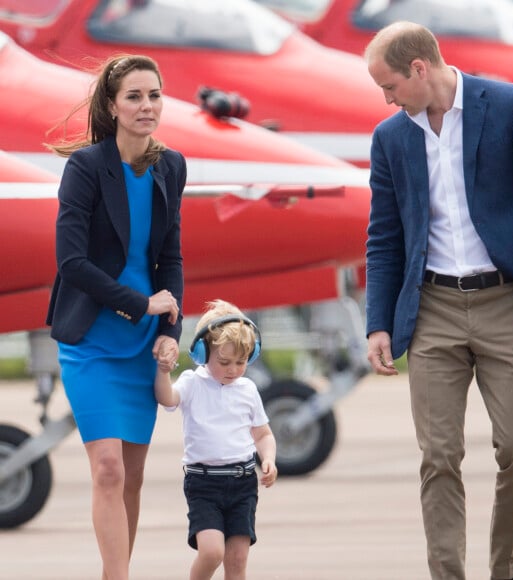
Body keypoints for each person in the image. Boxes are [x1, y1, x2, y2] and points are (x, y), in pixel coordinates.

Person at [363, 21, 513, 580]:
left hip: (507, 302)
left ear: (419, 69)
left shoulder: (509, 106)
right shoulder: (390, 137)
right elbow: (383, 238)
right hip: (431, 309)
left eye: (389, 86)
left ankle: (507, 571)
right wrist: (377, 324)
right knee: (438, 457)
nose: (385, 100)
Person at [45, 54, 186, 580]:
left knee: (131, 476)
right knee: (105, 469)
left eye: (153, 95)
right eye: (134, 96)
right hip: (92, 339)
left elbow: (170, 257)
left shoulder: (171, 165)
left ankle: (116, 571)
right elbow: (71, 263)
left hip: (143, 340)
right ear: (112, 105)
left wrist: (170, 329)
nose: (146, 106)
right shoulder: (85, 168)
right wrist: (137, 302)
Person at [155, 299, 277, 580]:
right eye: (224, 361)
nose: (233, 369)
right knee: (211, 552)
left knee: (237, 559)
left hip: (242, 482)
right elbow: (167, 399)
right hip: (204, 483)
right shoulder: (192, 382)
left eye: (241, 362)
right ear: (202, 352)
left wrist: (268, 458)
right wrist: (163, 372)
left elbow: (263, 433)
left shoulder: (247, 389)